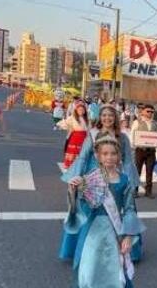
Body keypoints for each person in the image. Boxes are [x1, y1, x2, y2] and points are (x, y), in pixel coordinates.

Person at [65, 134, 145, 288]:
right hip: (93, 234)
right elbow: (82, 208)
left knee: (112, 282)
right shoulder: (90, 178)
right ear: (98, 156)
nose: (109, 157)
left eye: (113, 153)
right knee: (88, 279)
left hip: (113, 234)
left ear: (119, 156)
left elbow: (128, 209)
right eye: (105, 154)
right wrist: (74, 190)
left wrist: (128, 236)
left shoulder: (125, 180)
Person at [59, 105, 141, 262]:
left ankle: (126, 246)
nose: (107, 118)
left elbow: (128, 161)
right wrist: (77, 176)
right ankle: (83, 247)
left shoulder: (122, 137)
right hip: (93, 177)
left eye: (110, 115)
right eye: (104, 115)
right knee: (90, 210)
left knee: (121, 209)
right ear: (100, 117)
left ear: (115, 118)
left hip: (115, 176)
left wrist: (130, 181)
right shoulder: (93, 134)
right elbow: (83, 156)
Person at [130, 104, 157, 199]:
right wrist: (134, 145)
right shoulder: (137, 122)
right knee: (137, 171)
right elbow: (132, 135)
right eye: (148, 111)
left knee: (149, 171)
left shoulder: (155, 124)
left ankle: (148, 191)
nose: (150, 113)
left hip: (151, 151)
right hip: (140, 150)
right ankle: (135, 190)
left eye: (152, 112)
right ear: (143, 112)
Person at [62, 102, 89, 169]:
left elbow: (89, 128)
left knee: (82, 152)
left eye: (83, 110)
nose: (81, 111)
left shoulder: (87, 119)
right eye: (79, 110)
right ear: (76, 110)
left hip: (84, 137)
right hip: (75, 136)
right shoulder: (72, 118)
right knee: (73, 151)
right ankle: (70, 165)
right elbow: (65, 124)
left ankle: (79, 166)